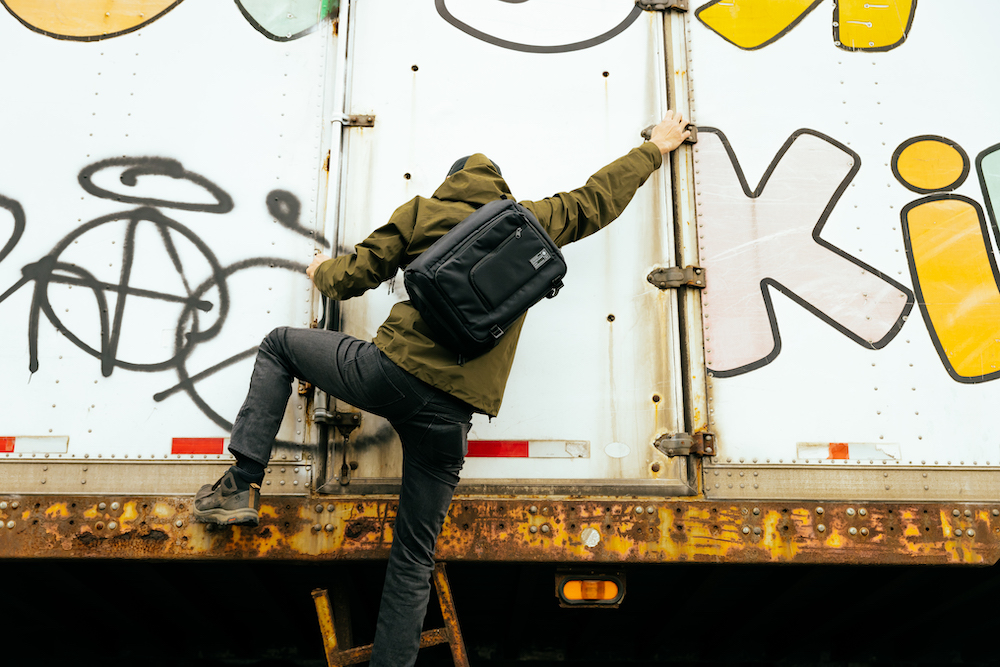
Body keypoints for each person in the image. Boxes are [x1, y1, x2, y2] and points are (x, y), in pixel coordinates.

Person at [193, 111, 691, 666]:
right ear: (498, 189)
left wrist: (320, 272)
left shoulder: (421, 212)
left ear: (451, 182)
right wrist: (656, 147)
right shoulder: (530, 221)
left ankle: (241, 483)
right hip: (451, 417)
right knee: (413, 556)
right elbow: (598, 198)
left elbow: (352, 276)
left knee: (279, 345)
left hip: (388, 373)